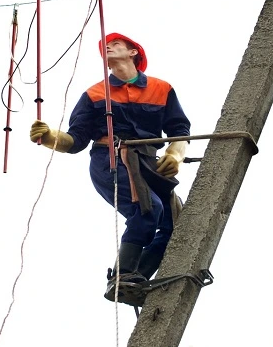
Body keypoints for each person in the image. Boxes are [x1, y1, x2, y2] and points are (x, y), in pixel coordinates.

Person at [29, 32, 190, 303]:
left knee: (175, 224)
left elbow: (179, 128)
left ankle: (134, 280)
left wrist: (176, 153)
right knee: (147, 209)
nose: (109, 46)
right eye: (106, 45)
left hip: (150, 164)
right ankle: (123, 275)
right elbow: (76, 140)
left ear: (133, 52)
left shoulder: (161, 89)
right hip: (111, 159)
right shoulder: (95, 94)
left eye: (117, 44)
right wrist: (49, 137)